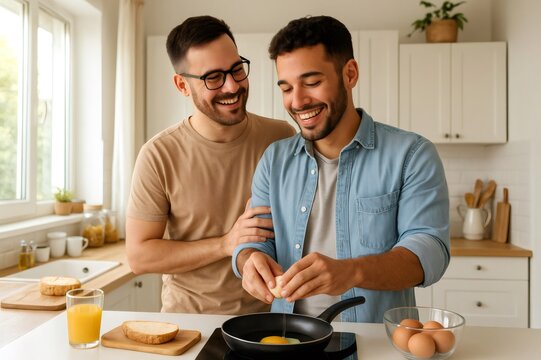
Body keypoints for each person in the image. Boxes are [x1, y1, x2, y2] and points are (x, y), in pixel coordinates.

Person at [232, 15, 450, 323]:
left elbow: (430, 253)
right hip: (288, 336)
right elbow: (255, 241)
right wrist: (249, 260)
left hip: (375, 341)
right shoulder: (274, 160)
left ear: (349, 74)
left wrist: (349, 271)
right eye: (286, 88)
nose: (297, 101)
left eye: (312, 82)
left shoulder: (412, 155)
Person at [125, 15, 295, 315]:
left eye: (237, 70)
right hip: (189, 325)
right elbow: (140, 256)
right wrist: (224, 244)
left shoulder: (280, 137)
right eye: (213, 77)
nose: (232, 86)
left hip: (268, 320)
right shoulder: (159, 155)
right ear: (181, 85)